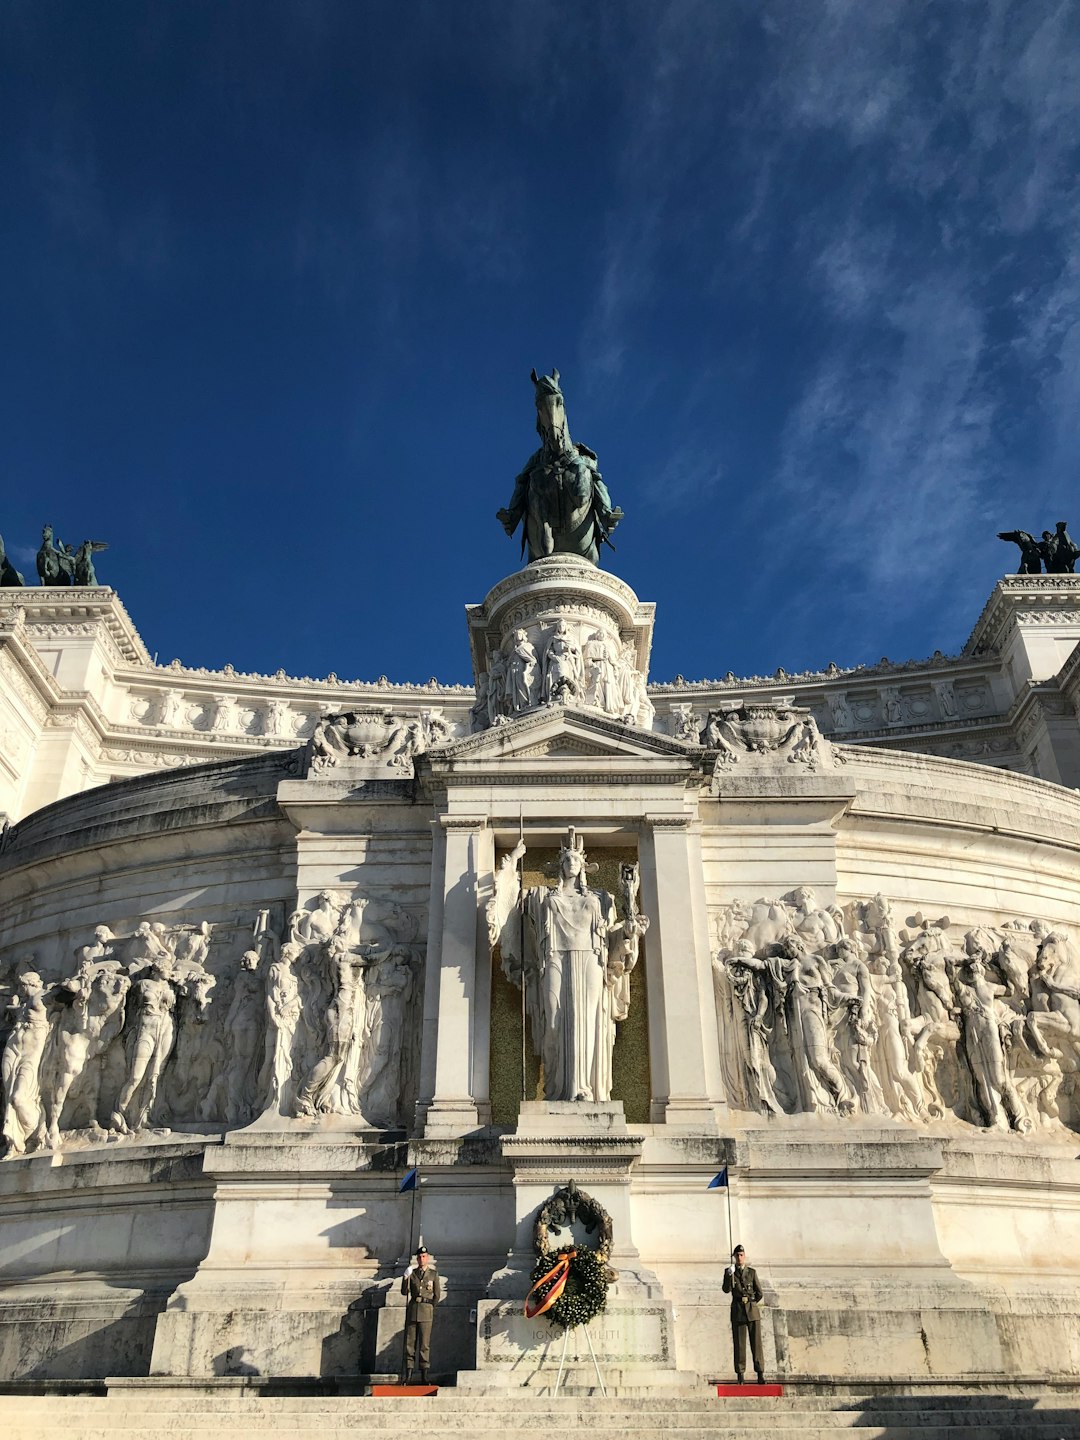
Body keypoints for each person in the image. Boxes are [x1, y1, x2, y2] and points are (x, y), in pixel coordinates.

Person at [722, 1243, 765, 1384]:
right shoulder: (730, 1272)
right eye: (737, 1255)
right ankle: (740, 1374)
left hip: (752, 1311)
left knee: (756, 1344)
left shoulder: (751, 1272)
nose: (739, 1257)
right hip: (738, 1311)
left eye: (741, 1255)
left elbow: (759, 1293)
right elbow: (726, 1290)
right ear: (734, 1257)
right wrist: (729, 1276)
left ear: (744, 1256)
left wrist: (751, 1303)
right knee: (739, 1344)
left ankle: (760, 1373)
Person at [401, 1244, 442, 1384]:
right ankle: (409, 1374)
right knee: (410, 1344)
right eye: (419, 1257)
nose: (421, 1259)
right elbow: (404, 1292)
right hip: (413, 1310)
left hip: (426, 1311)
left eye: (424, 1257)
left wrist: (430, 1307)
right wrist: (405, 1278)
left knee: (424, 1344)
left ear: (428, 1258)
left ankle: (424, 1374)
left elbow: (437, 1295)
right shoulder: (412, 1273)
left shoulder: (433, 1274)